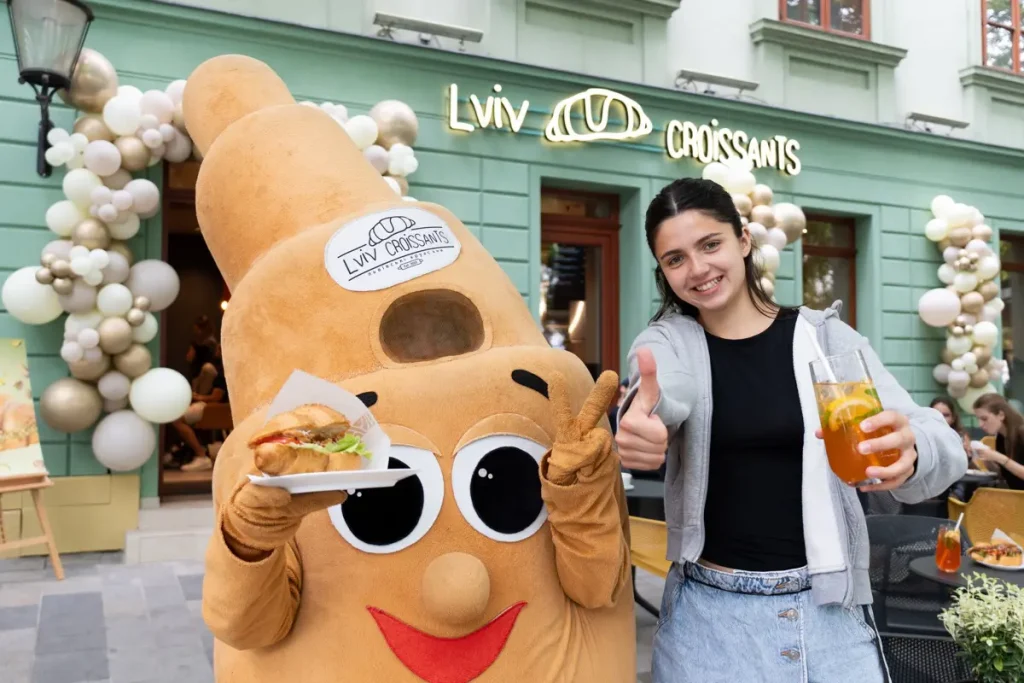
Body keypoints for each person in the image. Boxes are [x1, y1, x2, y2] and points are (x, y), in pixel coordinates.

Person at [614, 178, 966, 683]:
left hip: (828, 616)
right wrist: (644, 417)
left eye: (710, 244)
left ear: (743, 241)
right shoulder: (668, 342)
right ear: (663, 272)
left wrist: (913, 451)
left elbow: (940, 442)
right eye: (675, 259)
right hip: (708, 622)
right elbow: (663, 388)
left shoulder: (824, 339)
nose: (697, 269)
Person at [971, 393, 1024, 490]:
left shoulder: (1021, 433)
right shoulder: (1001, 437)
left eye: (984, 418)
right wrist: (989, 462)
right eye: (978, 419)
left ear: (1001, 415)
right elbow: (1006, 475)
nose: (980, 425)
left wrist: (999, 458)